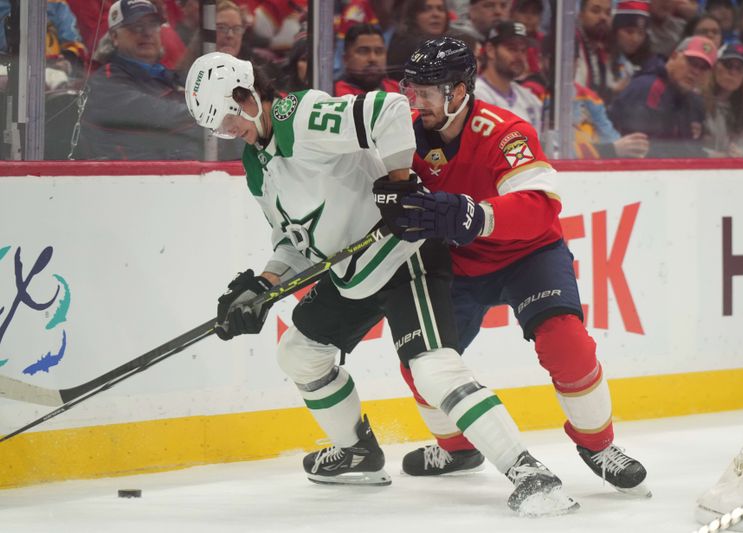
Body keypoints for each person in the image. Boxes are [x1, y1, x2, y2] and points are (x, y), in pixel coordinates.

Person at [185, 50, 579, 517]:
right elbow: (294, 241)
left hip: (403, 251)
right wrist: (262, 286)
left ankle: (529, 471)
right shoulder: (258, 165)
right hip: (353, 269)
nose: (228, 133)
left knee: (433, 370)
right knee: (299, 353)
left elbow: (388, 110)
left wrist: (399, 183)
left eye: (228, 120)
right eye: (218, 129)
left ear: (246, 95)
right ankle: (358, 452)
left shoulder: (301, 116)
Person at [374, 36, 650, 497]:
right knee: (420, 362)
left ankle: (598, 446)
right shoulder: (400, 129)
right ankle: (458, 447)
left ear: (460, 91)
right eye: (411, 88)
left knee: (567, 343)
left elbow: (541, 206)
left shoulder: (506, 131)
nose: (414, 100)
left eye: (427, 90)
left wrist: (475, 215)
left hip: (527, 255)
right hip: (454, 262)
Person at [76, 0, 200, 160]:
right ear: (114, 37)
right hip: (124, 180)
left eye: (153, 25)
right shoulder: (105, 82)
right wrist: (211, 113)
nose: (147, 33)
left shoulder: (166, 77)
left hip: (173, 176)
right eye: (136, 26)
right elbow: (161, 115)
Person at [609, 35, 717, 157]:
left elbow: (691, 149)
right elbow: (640, 150)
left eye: (703, 68)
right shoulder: (648, 88)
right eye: (691, 62)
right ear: (674, 56)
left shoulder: (694, 102)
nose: (696, 72)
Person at [474, 21, 543, 132]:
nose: (519, 56)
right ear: (490, 50)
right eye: (512, 49)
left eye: (523, 50)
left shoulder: (529, 98)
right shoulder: (476, 95)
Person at [702, 41, 743, 157]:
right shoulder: (697, 101)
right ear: (715, 66)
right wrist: (712, 156)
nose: (733, 72)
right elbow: (685, 145)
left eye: (740, 68)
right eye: (728, 65)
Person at [334, 24, 400, 96]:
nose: (372, 58)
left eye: (378, 51)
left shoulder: (398, 90)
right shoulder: (333, 95)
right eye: (363, 51)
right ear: (346, 59)